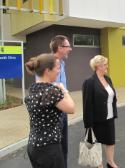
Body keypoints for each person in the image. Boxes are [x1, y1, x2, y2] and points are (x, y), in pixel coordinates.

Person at [24, 53, 75, 168]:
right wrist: (64, 90)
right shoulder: (51, 91)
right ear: (47, 70)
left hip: (33, 146)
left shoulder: (32, 89)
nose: (58, 71)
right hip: (49, 148)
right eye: (57, 68)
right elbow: (71, 108)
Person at [82, 55, 119, 168]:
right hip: (96, 119)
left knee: (110, 141)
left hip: (109, 116)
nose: (107, 66)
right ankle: (99, 165)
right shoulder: (90, 82)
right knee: (95, 143)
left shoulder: (108, 79)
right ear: (98, 66)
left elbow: (112, 96)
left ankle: (111, 162)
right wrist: (88, 124)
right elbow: (87, 104)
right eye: (105, 65)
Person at [49, 35, 72, 168]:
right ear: (60, 48)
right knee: (54, 149)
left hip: (63, 110)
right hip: (53, 112)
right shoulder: (48, 63)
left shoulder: (62, 63)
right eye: (67, 46)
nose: (70, 49)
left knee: (63, 146)